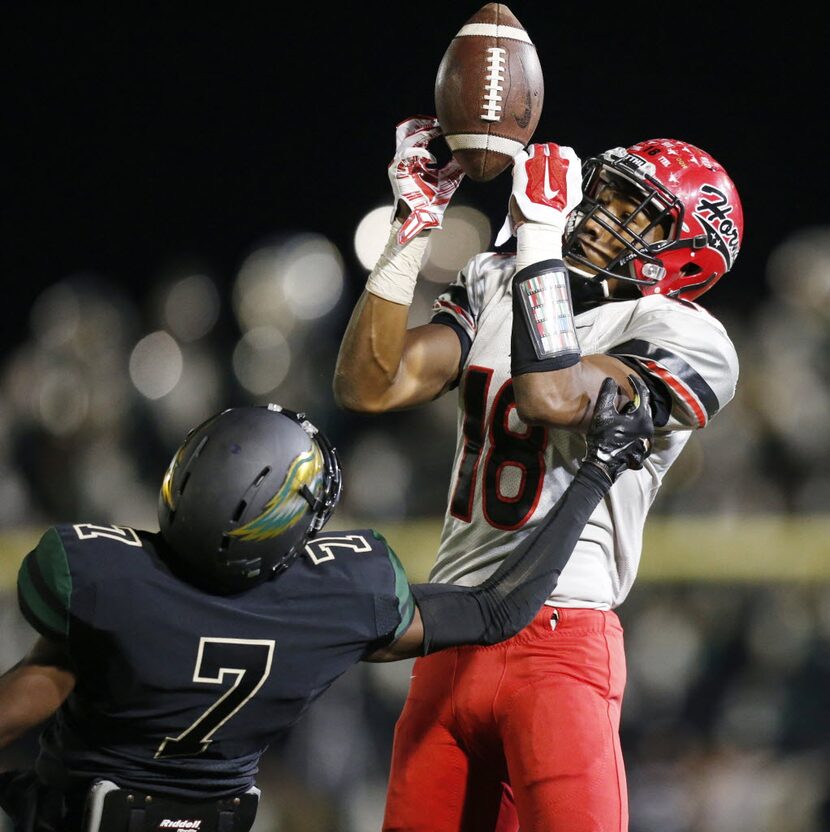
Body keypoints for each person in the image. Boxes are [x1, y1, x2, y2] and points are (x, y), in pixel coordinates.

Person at [333, 116, 743, 831]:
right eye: (609, 195)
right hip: (448, 632)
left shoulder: (689, 338)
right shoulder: (499, 278)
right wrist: (410, 232)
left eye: (636, 213)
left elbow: (550, 393)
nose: (603, 218)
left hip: (559, 639)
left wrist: (539, 241)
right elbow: (370, 384)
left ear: (687, 256)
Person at [0, 393, 652, 832]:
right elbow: (500, 608)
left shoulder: (98, 577)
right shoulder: (338, 599)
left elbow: (41, 685)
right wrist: (595, 473)